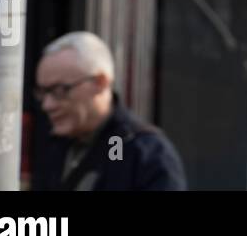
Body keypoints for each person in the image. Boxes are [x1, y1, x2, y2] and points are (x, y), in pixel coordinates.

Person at [33, 31, 186, 191]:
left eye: (60, 90)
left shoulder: (144, 151)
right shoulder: (54, 144)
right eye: (42, 93)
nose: (48, 105)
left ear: (100, 82)